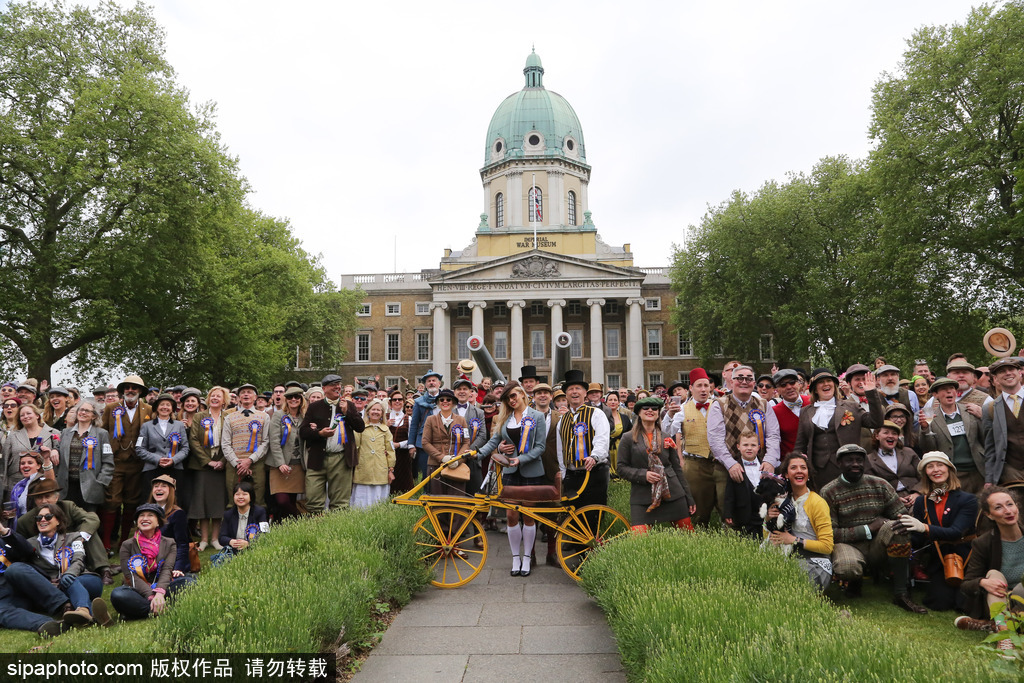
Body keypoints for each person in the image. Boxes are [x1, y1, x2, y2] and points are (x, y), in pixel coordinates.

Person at [821, 444, 926, 613]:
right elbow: (830, 533)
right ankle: (854, 581)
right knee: (847, 568)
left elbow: (901, 514)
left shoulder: (879, 484)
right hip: (848, 545)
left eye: (859, 460)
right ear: (839, 463)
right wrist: (868, 528)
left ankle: (901, 593)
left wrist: (895, 521)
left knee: (899, 527)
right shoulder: (829, 492)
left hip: (878, 542)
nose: (855, 464)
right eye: (849, 460)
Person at [474, 382, 547, 576]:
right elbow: (494, 442)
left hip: (532, 472)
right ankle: (516, 558)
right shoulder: (505, 417)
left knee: (529, 516)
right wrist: (476, 454)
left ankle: (527, 558)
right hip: (510, 473)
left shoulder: (537, 416)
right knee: (511, 516)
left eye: (514, 396)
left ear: (522, 394)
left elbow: (540, 447)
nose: (512, 400)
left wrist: (520, 459)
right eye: (508, 398)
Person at [898, 452, 977, 611]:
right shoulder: (922, 502)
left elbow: (956, 532)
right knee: (939, 603)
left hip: (967, 558)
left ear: (949, 470)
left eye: (940, 465)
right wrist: (903, 532)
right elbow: (919, 539)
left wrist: (924, 527)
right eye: (930, 466)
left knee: (964, 605)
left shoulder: (968, 500)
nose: (936, 470)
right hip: (940, 558)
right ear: (925, 473)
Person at [3, 503, 102, 628]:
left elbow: (79, 559)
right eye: (39, 518)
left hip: (83, 579)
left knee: (69, 580)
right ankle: (90, 613)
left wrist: (70, 573)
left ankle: (83, 610)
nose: (42, 520)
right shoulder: (29, 544)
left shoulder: (74, 537)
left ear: (58, 521)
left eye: (48, 516)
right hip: (54, 587)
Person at [956, 487, 1024, 654]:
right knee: (993, 574)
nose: (1007, 511)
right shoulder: (983, 543)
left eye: (1010, 504)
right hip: (1000, 602)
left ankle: (991, 626)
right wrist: (983, 582)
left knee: (1021, 587)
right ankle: (1005, 636)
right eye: (998, 507)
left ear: (1017, 506)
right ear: (989, 515)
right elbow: (966, 584)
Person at [93, 503, 184, 624]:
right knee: (118, 594)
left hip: (162, 587)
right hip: (138, 591)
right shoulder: (127, 545)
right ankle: (161, 609)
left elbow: (167, 569)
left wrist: (159, 593)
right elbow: (130, 575)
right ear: (137, 522)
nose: (145, 518)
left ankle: (141, 610)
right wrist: (151, 596)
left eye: (150, 515)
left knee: (189, 581)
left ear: (158, 522)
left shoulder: (169, 543)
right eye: (141, 516)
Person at [794, 368, 885, 490]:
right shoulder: (805, 412)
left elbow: (876, 422)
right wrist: (797, 464)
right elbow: (800, 444)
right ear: (815, 389)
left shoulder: (851, 406)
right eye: (821, 382)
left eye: (829, 381)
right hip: (819, 471)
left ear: (834, 385)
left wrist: (871, 393)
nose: (826, 384)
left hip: (850, 468)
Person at [617, 396, 694, 532]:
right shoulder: (627, 438)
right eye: (645, 408)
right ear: (639, 412)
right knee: (639, 539)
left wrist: (689, 497)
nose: (650, 410)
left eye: (654, 408)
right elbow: (621, 468)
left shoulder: (666, 437)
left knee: (688, 534)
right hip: (642, 496)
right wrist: (643, 475)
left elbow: (677, 469)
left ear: (658, 413)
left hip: (672, 493)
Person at [100, 374, 153, 555]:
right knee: (112, 501)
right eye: (127, 387)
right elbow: (103, 432)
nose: (130, 390)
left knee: (132, 502)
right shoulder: (111, 408)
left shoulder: (148, 409)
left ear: (140, 391)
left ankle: (125, 542)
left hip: (138, 463)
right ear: (122, 391)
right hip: (115, 461)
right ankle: (106, 543)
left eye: (134, 387)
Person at [767, 452, 834, 591]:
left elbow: (827, 546)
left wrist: (794, 540)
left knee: (794, 579)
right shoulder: (781, 501)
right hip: (788, 557)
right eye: (794, 467)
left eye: (803, 468)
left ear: (808, 474)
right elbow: (770, 537)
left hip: (816, 562)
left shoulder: (818, 503)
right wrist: (767, 520)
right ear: (786, 474)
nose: (799, 471)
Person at [708, 365, 782, 489]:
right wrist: (731, 464)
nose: (744, 382)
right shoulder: (719, 405)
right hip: (728, 470)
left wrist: (770, 460)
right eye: (739, 378)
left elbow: (773, 435)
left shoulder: (764, 405)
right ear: (732, 382)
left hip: (760, 468)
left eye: (749, 379)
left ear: (754, 383)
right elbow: (715, 440)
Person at [300, 374, 365, 512]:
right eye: (333, 385)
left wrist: (348, 412)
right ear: (324, 388)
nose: (337, 387)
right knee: (313, 501)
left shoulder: (349, 405)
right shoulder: (314, 407)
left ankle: (338, 525)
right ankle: (316, 524)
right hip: (317, 458)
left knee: (340, 504)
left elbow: (360, 427)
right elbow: (303, 432)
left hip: (341, 459)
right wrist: (319, 433)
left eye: (338, 384)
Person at [555, 369, 611, 515]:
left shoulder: (596, 414)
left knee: (593, 515)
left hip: (594, 473)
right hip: (572, 475)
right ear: (566, 394)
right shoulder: (562, 420)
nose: (574, 392)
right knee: (573, 516)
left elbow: (602, 439)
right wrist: (563, 472)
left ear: (585, 393)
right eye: (570, 389)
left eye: (578, 388)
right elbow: (560, 449)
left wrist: (594, 456)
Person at [919, 376, 987, 493]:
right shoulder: (931, 417)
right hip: (953, 473)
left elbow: (985, 438)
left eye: (951, 388)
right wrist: (925, 428)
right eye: (944, 389)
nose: (949, 392)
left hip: (978, 469)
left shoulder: (970, 411)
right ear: (935, 395)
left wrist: (982, 416)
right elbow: (928, 448)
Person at [187, 386, 228, 551]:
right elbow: (193, 440)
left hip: (221, 465)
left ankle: (215, 539)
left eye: (218, 396)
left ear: (224, 400)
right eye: (212, 396)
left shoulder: (228, 417)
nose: (215, 398)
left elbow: (231, 440)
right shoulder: (199, 416)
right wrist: (207, 461)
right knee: (202, 502)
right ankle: (204, 539)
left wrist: (223, 461)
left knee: (217, 503)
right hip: (202, 466)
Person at [56, 399, 114, 512]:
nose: (83, 412)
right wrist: (54, 450)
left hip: (90, 488)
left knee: (88, 520)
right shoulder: (65, 432)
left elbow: (108, 462)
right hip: (66, 487)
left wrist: (100, 482)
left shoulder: (102, 434)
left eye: (87, 411)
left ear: (94, 416)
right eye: (81, 410)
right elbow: (58, 451)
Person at [221, 384, 269, 506]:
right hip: (234, 464)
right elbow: (225, 443)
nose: (246, 394)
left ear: (255, 397)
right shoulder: (229, 417)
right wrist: (236, 463)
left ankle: (258, 519)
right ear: (238, 398)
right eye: (242, 393)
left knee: (258, 500)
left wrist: (250, 460)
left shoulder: (264, 416)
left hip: (256, 463)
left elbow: (266, 442)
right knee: (233, 500)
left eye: (249, 392)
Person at [137, 393, 191, 500]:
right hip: (152, 468)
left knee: (175, 500)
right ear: (157, 408)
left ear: (172, 409)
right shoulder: (146, 426)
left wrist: (173, 460)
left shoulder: (179, 425)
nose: (165, 407)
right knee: (151, 500)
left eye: (168, 405)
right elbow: (139, 449)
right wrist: (157, 459)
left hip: (174, 468)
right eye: (162, 404)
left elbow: (185, 448)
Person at [3, 403, 59, 500]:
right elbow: (4, 461)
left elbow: (60, 452)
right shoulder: (13, 435)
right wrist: (4, 484)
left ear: (37, 415)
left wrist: (55, 450)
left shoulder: (53, 433)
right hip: (16, 482)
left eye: (28, 413)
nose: (25, 416)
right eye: (22, 415)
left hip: (43, 481)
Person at [266, 386, 306, 519]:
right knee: (282, 501)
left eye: (297, 397)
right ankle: (301, 519)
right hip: (279, 466)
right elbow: (274, 441)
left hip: (298, 466)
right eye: (290, 397)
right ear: (286, 399)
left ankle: (287, 527)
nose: (293, 399)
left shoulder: (304, 416)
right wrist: (280, 463)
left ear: (301, 399)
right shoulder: (278, 415)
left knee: (292, 500)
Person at [982, 357, 1024, 486]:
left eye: (1011, 369)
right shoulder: (990, 408)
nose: (1007, 373)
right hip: (1011, 472)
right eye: (1002, 371)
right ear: (995, 379)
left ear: (1020, 373)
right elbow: (990, 447)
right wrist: (989, 480)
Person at [422, 389, 471, 496]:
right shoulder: (430, 419)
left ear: (453, 403)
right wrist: (442, 457)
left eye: (448, 399)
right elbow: (425, 442)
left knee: (456, 499)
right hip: (435, 465)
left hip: (457, 467)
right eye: (442, 399)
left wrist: (458, 459)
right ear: (438, 403)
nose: (445, 401)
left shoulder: (461, 420)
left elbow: (466, 442)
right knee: (437, 498)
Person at [351, 398, 396, 509]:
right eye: (373, 409)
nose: (375, 412)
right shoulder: (360, 428)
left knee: (378, 500)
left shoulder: (385, 430)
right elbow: (355, 447)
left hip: (380, 470)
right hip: (363, 469)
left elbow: (390, 450)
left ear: (382, 413)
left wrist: (390, 469)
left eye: (378, 410)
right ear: (368, 412)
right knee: (361, 500)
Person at [724, 430, 767, 539]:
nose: (749, 448)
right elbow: (729, 493)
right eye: (745, 445)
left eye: (753, 445)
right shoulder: (735, 468)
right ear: (738, 447)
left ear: (758, 447)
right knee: (748, 539)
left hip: (764, 513)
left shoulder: (765, 466)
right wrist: (728, 512)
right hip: (744, 513)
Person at [865, 421, 921, 504]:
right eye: (886, 433)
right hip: (888, 501)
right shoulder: (869, 460)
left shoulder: (908, 452)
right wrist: (892, 500)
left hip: (915, 496)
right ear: (877, 436)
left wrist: (918, 493)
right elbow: (871, 487)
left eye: (894, 433)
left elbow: (923, 476)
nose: (890, 436)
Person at [213, 481, 268, 565]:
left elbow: (265, 534)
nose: (240, 497)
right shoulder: (228, 514)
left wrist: (248, 543)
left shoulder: (260, 512)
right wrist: (231, 541)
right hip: (234, 554)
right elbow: (222, 537)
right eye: (237, 494)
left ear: (251, 497)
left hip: (255, 552)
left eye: (244, 494)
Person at [408, 370, 443, 480]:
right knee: (426, 475)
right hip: (424, 444)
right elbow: (414, 424)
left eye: (434, 380)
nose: (431, 383)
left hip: (443, 442)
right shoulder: (419, 402)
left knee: (443, 474)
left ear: (439, 383)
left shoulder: (446, 399)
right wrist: (411, 444)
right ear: (425, 385)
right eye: (429, 381)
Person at [771, 369, 811, 457]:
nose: (789, 387)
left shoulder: (812, 402)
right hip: (791, 461)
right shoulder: (774, 412)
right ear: (777, 390)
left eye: (792, 382)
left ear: (799, 384)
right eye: (783, 385)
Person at [386, 391, 413, 494]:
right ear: (390, 402)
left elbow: (412, 438)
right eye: (394, 399)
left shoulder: (409, 419)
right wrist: (385, 425)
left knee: (403, 478)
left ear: (403, 402)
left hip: (403, 454)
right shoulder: (384, 417)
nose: (397, 401)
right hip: (386, 454)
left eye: (400, 399)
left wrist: (399, 444)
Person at [604, 391, 631, 476]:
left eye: (615, 400)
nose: (613, 402)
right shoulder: (601, 417)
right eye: (610, 400)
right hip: (606, 448)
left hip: (620, 448)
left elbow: (630, 432)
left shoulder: (625, 418)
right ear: (606, 403)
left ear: (619, 402)